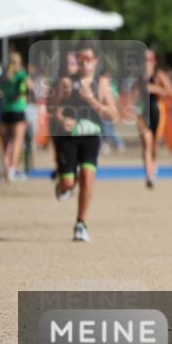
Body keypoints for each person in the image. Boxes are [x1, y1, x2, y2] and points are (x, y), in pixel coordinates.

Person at [48, 41, 119, 242]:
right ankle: (64, 186)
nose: (83, 63)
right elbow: (51, 108)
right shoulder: (66, 83)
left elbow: (113, 115)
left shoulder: (102, 84)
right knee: (69, 183)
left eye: (87, 59)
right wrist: (61, 119)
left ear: (95, 61)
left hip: (91, 136)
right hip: (69, 138)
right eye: (79, 59)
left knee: (87, 178)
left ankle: (81, 224)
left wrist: (92, 101)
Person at [134, 50, 172, 188]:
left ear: (154, 61)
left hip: (157, 111)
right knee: (147, 141)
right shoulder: (138, 77)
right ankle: (149, 176)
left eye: (149, 59)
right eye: (144, 59)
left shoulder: (159, 75)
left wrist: (155, 89)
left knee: (154, 145)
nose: (147, 62)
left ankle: (153, 163)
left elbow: (171, 91)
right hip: (142, 113)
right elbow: (132, 94)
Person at [0, 52, 30, 181]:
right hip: (18, 110)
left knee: (6, 142)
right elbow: (27, 88)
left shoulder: (3, 76)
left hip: (6, 111)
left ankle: (4, 167)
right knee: (17, 141)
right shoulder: (22, 75)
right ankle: (12, 169)